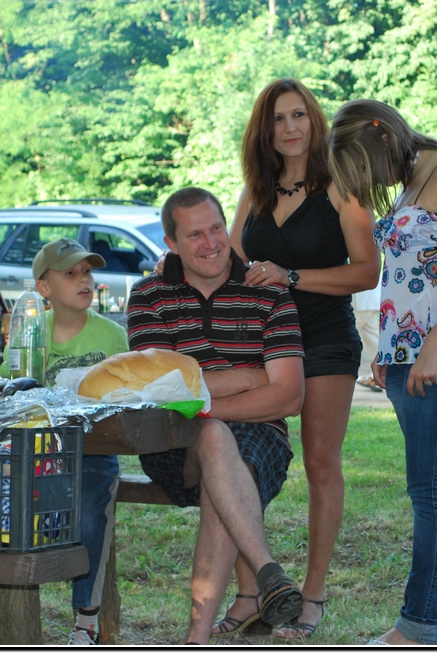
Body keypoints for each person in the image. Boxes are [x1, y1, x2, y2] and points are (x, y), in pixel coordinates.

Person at [328, 99, 437, 646]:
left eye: (365, 169)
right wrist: (390, 349)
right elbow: (406, 279)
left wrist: (431, 347)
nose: (369, 183)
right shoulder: (411, 181)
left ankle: (418, 625)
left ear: (383, 135)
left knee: (431, 495)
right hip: (412, 362)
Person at [222, 78, 379, 641]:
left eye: (298, 116)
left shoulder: (340, 186)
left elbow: (368, 271)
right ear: (264, 131)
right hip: (263, 345)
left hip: (324, 340)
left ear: (313, 121)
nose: (289, 128)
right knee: (242, 460)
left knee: (319, 463)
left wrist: (290, 277)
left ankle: (312, 594)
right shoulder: (256, 189)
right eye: (277, 119)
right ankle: (251, 592)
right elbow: (233, 257)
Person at [127, 187, 306, 645]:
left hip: (258, 441)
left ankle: (197, 638)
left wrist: (203, 402)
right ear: (171, 243)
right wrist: (248, 375)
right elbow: (163, 389)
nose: (210, 243)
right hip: (169, 440)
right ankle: (267, 577)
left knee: (218, 448)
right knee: (210, 440)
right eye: (194, 235)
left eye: (216, 229)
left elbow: (288, 396)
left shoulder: (268, 293)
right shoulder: (148, 295)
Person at [0, 238, 127, 646]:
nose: (84, 279)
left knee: (91, 508)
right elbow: (8, 388)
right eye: (70, 273)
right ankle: (8, 595)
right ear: (44, 288)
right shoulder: (30, 331)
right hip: (35, 453)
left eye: (87, 272)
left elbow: (127, 397)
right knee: (4, 500)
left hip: (92, 449)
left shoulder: (112, 336)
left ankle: (86, 618)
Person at [352, 281, 383, 391]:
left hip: (359, 300)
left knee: (342, 342)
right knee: (376, 341)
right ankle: (380, 376)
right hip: (372, 299)